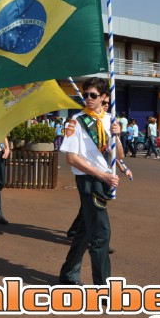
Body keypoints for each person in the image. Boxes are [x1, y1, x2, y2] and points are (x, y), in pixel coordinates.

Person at [59, 77, 123, 288]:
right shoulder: (76, 121)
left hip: (104, 180)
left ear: (104, 97)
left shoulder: (110, 120)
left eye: (93, 95)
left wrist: (118, 137)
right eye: (86, 94)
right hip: (90, 180)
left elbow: (119, 156)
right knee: (101, 234)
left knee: (86, 230)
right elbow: (71, 158)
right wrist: (102, 175)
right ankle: (103, 286)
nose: (88, 98)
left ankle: (68, 273)